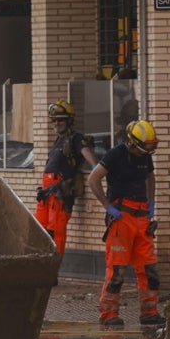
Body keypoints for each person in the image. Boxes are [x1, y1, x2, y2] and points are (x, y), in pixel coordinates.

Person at [88, 119, 162, 339]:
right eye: (146, 146)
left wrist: (151, 205)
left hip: (142, 218)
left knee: (148, 269)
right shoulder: (114, 155)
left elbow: (150, 177)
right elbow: (93, 179)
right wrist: (107, 206)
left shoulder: (144, 156)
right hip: (122, 217)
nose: (148, 151)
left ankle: (149, 313)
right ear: (132, 142)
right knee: (117, 270)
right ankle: (109, 315)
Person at [35, 99, 97, 256]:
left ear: (69, 120)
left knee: (55, 232)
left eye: (60, 119)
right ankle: (40, 267)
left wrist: (97, 170)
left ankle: (53, 269)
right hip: (47, 193)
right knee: (40, 231)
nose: (56, 123)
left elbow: (88, 155)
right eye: (54, 120)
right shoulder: (59, 140)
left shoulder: (76, 138)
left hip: (60, 194)